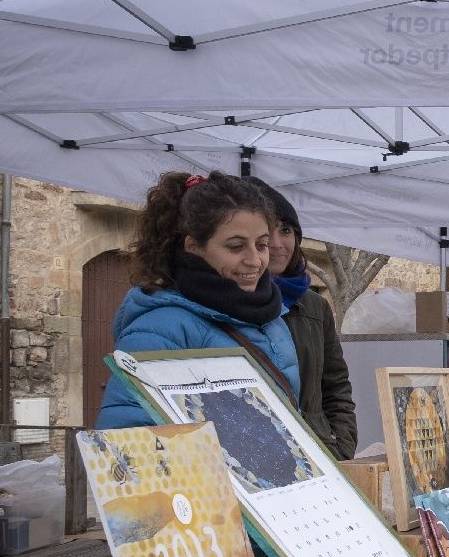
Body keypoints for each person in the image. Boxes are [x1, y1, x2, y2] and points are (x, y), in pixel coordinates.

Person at [97, 171, 299, 428]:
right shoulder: (160, 328)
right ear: (193, 246)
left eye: (261, 245)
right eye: (236, 247)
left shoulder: (272, 317)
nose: (255, 260)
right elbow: (127, 438)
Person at [246, 178, 358, 459]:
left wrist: (340, 446)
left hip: (320, 452)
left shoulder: (315, 306)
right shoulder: (237, 302)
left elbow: (336, 386)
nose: (277, 243)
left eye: (286, 230)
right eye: (267, 232)